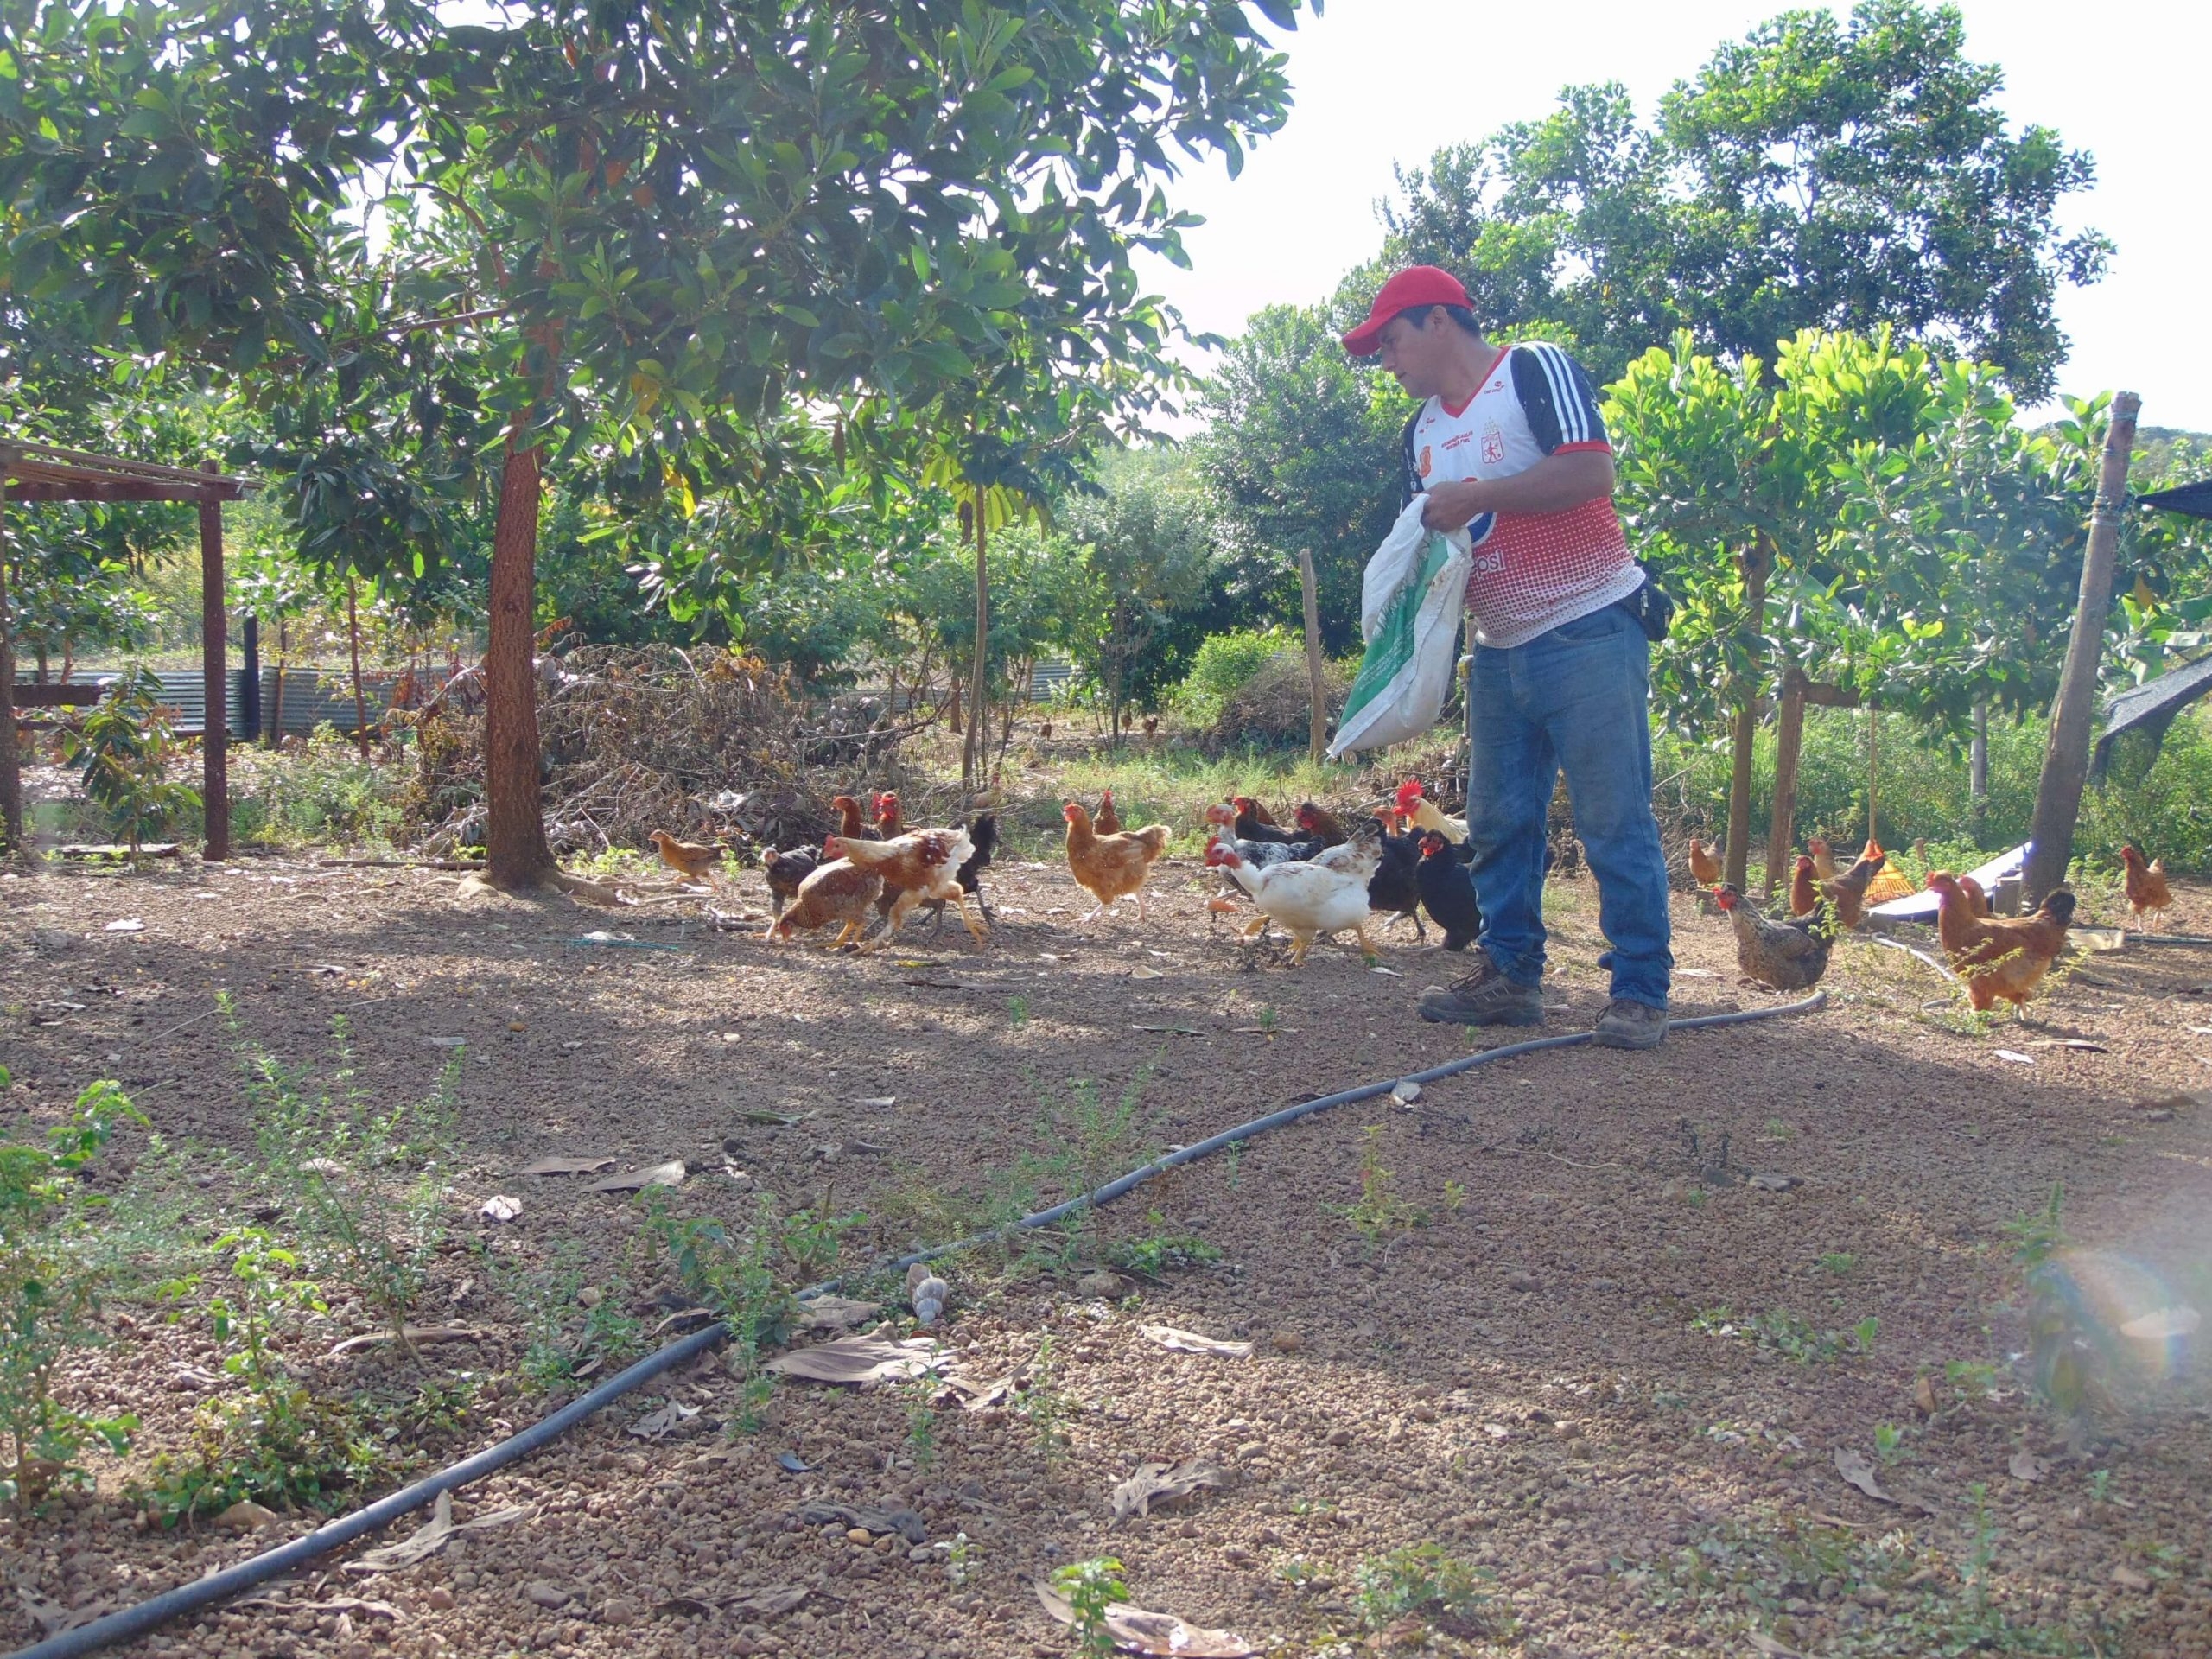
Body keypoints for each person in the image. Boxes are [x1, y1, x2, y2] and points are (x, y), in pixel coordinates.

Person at [1341, 265, 1673, 1050]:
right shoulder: (1418, 434)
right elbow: (1426, 546)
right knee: (1496, 824)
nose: (1386, 360)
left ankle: (1639, 991)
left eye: (1391, 340)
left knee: (1613, 820)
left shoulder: (1531, 366)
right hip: (1496, 647)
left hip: (1589, 625)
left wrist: (1481, 493)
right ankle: (1512, 976)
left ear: (1438, 322)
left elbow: (1592, 471)